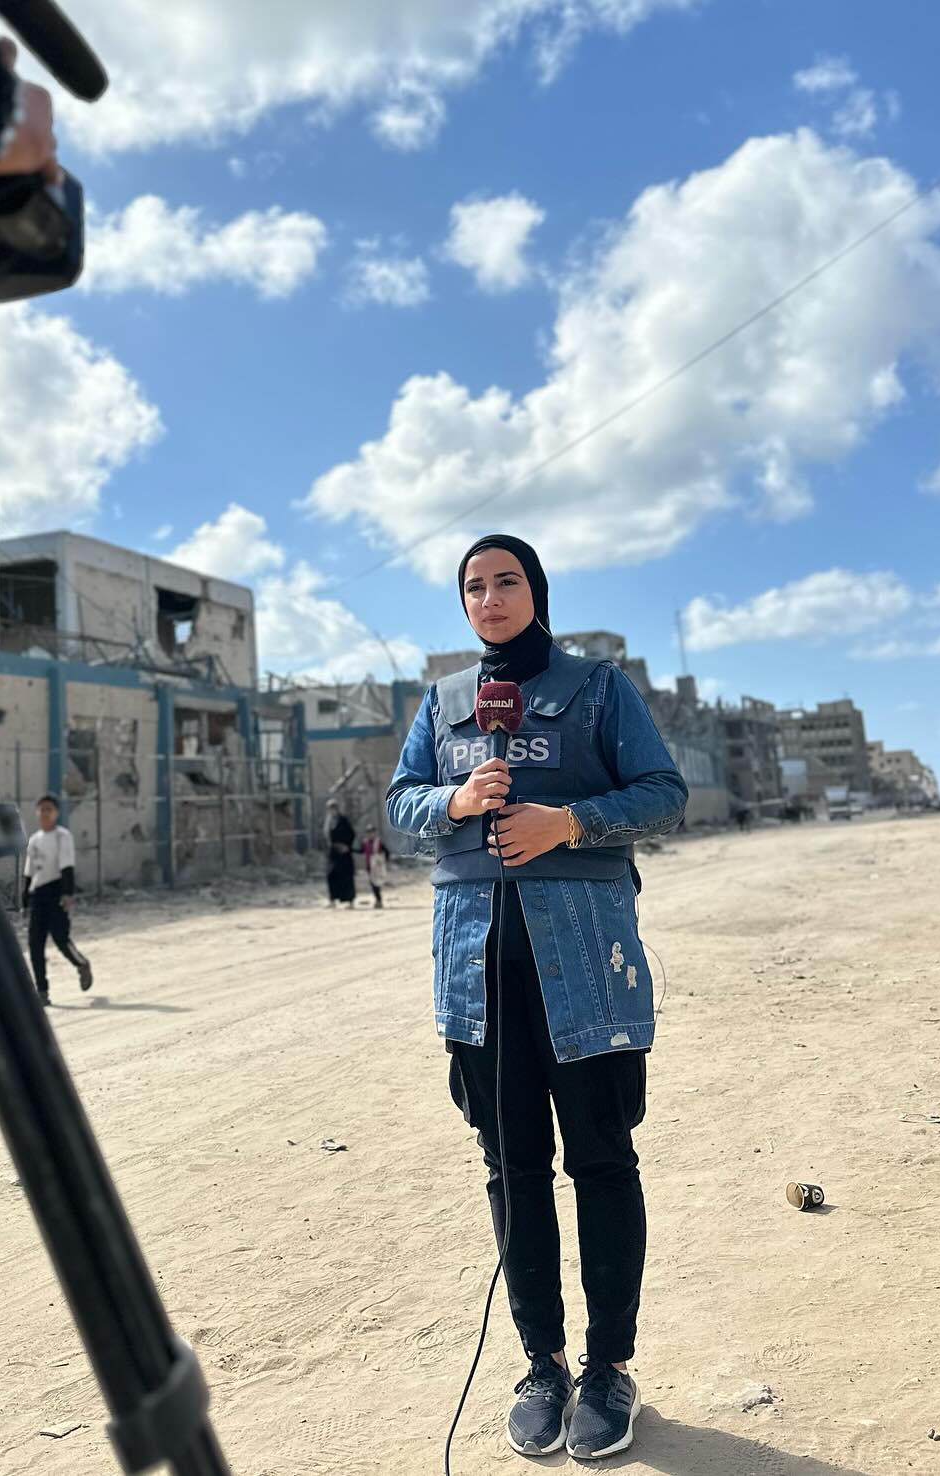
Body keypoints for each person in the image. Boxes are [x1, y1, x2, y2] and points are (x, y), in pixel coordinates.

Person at [386, 533, 687, 1463]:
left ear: (537, 591)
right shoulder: (442, 703)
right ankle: (542, 1365)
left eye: (506, 581)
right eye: (473, 586)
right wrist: (454, 803)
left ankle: (608, 1368)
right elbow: (400, 801)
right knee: (512, 1167)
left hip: (585, 966)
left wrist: (569, 822)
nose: (489, 598)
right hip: (478, 972)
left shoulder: (598, 688)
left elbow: (664, 792)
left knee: (601, 1159)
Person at [22, 794, 93, 1003]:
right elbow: (29, 872)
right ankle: (42, 991)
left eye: (49, 809)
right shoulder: (34, 840)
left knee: (61, 938)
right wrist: (25, 899)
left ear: (56, 813)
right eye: (41, 809)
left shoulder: (62, 836)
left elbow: (67, 867)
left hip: (56, 890)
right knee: (35, 943)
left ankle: (81, 964)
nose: (45, 813)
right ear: (37, 812)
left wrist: (67, 894)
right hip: (38, 894)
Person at [323, 799, 356, 908]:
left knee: (346, 876)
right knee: (331, 875)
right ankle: (332, 899)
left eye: (333, 808)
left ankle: (350, 901)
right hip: (333, 853)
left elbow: (352, 834)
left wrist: (347, 846)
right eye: (330, 809)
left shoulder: (343, 820)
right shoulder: (328, 822)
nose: (332, 811)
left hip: (344, 853)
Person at [360, 823, 390, 908]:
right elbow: (361, 851)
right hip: (369, 865)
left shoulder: (378, 842)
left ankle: (379, 900)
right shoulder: (365, 842)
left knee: (376, 883)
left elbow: (386, 852)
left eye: (371, 832)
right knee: (372, 883)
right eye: (368, 832)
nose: (370, 834)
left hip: (377, 866)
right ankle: (378, 900)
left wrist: (383, 861)